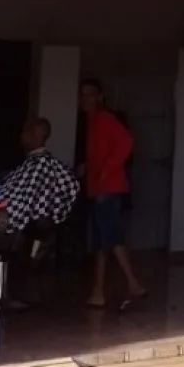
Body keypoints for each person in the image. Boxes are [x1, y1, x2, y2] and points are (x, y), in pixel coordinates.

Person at [78, 78, 146, 310]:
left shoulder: (105, 119)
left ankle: (133, 283)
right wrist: (89, 167)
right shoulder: (93, 121)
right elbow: (101, 152)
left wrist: (106, 171)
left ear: (99, 97)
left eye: (90, 95)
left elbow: (127, 142)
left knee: (110, 238)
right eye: (83, 95)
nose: (86, 99)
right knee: (102, 241)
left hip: (108, 188)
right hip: (100, 187)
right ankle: (98, 292)